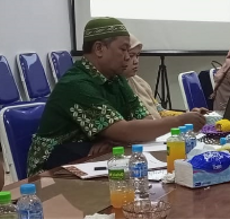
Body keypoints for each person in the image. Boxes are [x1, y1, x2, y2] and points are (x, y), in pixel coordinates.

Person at [27, 17, 207, 176]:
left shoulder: (116, 78)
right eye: (124, 49)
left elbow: (143, 120)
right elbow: (125, 131)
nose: (128, 57)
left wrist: (114, 137)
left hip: (95, 159)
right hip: (52, 171)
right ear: (99, 48)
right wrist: (179, 121)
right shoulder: (76, 84)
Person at [125, 35, 183, 119]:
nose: (136, 61)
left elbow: (161, 111)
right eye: (131, 56)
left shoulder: (140, 82)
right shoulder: (113, 88)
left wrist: (188, 115)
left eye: (137, 56)